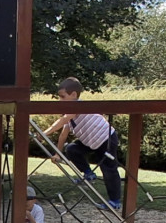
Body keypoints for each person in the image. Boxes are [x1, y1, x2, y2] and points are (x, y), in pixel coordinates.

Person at [42, 76, 123, 210]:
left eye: (63, 97)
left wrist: (45, 133)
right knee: (72, 149)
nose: (60, 100)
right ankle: (88, 173)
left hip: (106, 138)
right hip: (91, 142)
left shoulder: (78, 106)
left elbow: (62, 121)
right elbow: (63, 135)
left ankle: (115, 201)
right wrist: (57, 153)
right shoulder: (70, 114)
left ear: (74, 95)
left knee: (109, 169)